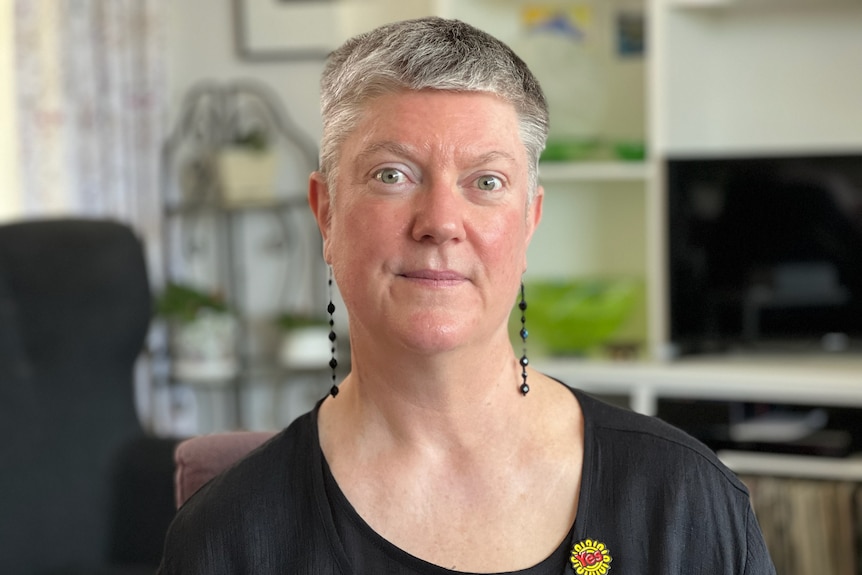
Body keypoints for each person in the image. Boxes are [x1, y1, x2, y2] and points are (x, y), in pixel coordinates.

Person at [158, 17, 776, 575]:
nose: (441, 221)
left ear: (529, 221)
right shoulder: (229, 539)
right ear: (326, 214)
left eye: (486, 181)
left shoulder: (684, 499)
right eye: (392, 175)